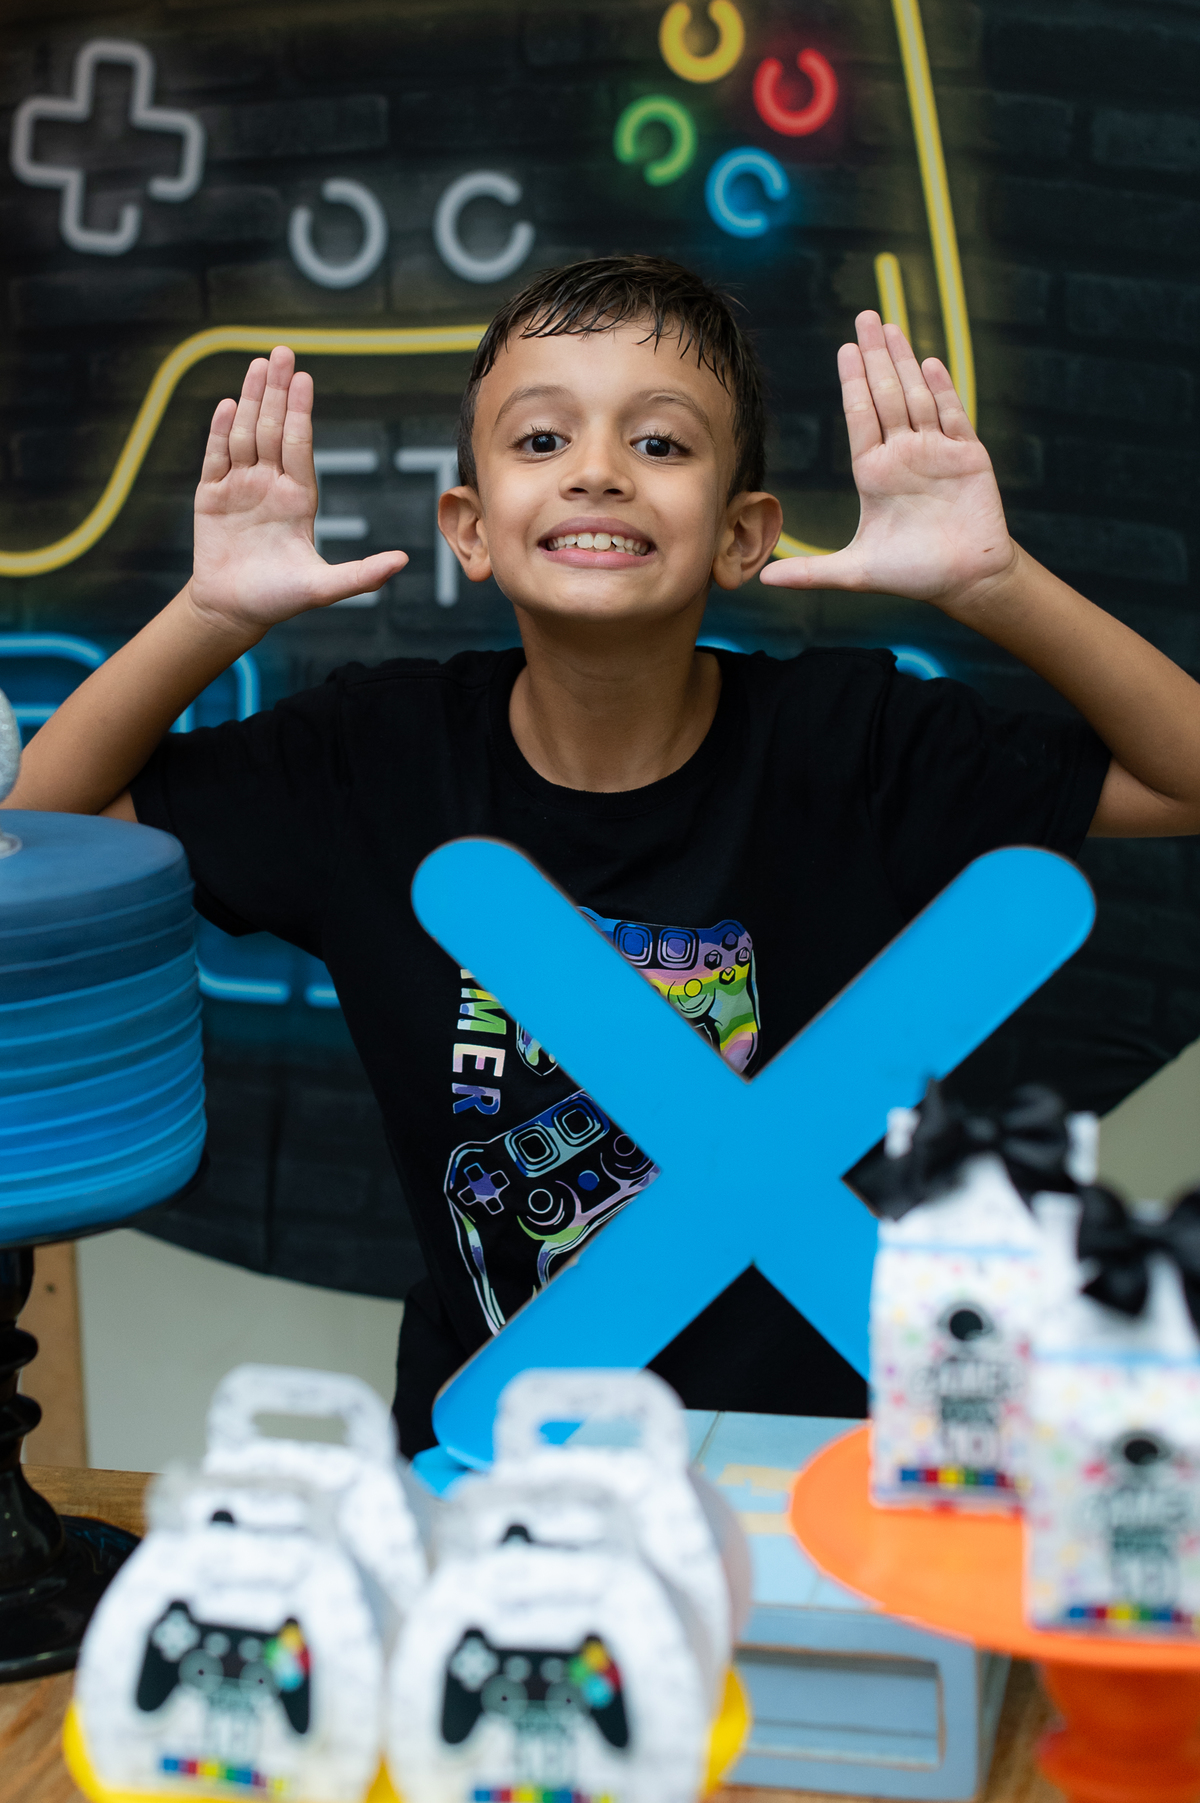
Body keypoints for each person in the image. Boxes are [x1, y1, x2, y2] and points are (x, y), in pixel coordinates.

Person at [8, 256, 1200, 1454]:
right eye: (541, 439)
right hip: (495, 1461)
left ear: (743, 535)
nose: (597, 470)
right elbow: (45, 829)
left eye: (661, 443)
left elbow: (1183, 779)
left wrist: (995, 582)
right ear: (470, 530)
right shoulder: (373, 758)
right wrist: (213, 615)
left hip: (812, 1471)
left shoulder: (853, 744)